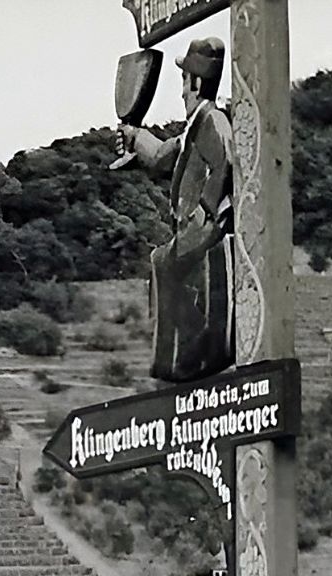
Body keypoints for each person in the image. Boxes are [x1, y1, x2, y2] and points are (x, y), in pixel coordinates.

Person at [119, 36, 235, 382]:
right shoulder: (193, 128)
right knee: (163, 265)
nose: (181, 91)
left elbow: (225, 161)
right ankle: (186, 347)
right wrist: (134, 136)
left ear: (197, 83)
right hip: (192, 229)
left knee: (164, 264)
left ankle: (195, 346)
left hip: (204, 229)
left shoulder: (213, 121)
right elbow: (161, 155)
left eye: (185, 82)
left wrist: (205, 211)